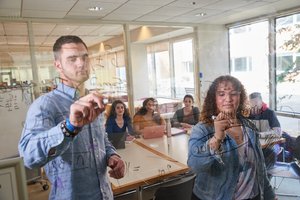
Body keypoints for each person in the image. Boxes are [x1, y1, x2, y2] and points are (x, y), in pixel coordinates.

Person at [18, 35, 125, 200]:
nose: (81, 63)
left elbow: (101, 140)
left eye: (84, 57)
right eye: (72, 59)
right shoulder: (44, 105)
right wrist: (69, 127)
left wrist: (112, 156)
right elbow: (29, 157)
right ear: (58, 65)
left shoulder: (93, 100)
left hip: (104, 195)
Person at [187, 75, 275, 200]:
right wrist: (217, 138)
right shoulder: (202, 129)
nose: (228, 99)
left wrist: (269, 194)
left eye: (233, 94)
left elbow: (259, 168)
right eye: (221, 94)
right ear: (214, 99)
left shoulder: (249, 127)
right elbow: (195, 166)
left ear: (240, 97)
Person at [248, 92, 282, 170]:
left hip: (271, 144)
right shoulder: (247, 114)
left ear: (261, 101)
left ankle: (265, 175)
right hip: (253, 144)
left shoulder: (270, 113)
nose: (254, 105)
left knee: (268, 154)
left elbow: (277, 133)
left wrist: (259, 136)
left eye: (256, 102)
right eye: (251, 103)